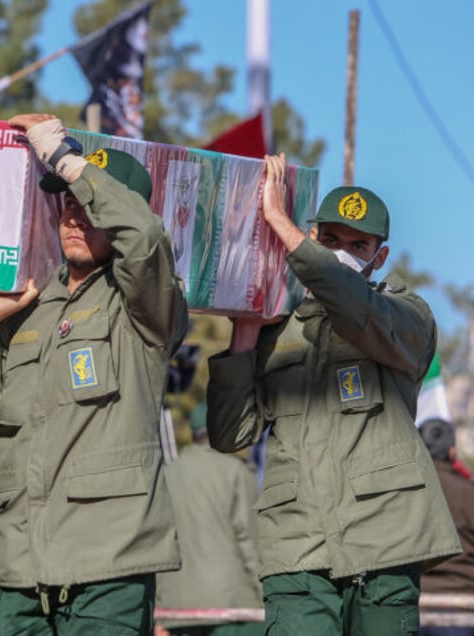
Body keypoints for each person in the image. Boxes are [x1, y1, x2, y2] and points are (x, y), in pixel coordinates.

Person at [0, 112, 189, 635]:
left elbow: (144, 235)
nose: (73, 216)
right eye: (66, 205)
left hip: (108, 560)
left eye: (87, 206)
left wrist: (63, 157)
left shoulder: (146, 308)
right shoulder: (26, 308)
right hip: (14, 559)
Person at [206, 155, 461, 635]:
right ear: (316, 234)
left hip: (387, 538)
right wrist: (243, 334)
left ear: (379, 257)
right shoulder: (277, 326)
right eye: (331, 239)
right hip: (297, 541)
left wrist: (280, 223)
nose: (341, 252)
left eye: (357, 244)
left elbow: (354, 303)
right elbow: (230, 434)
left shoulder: (406, 315)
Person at [156, 403, 263, 636]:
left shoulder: (166, 475)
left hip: (178, 607)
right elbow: (250, 540)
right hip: (231, 604)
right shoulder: (235, 471)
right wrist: (262, 590)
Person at [418, 418, 474, 636]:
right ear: (452, 451)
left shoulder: (404, 497)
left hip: (415, 602)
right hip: (464, 606)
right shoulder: (468, 493)